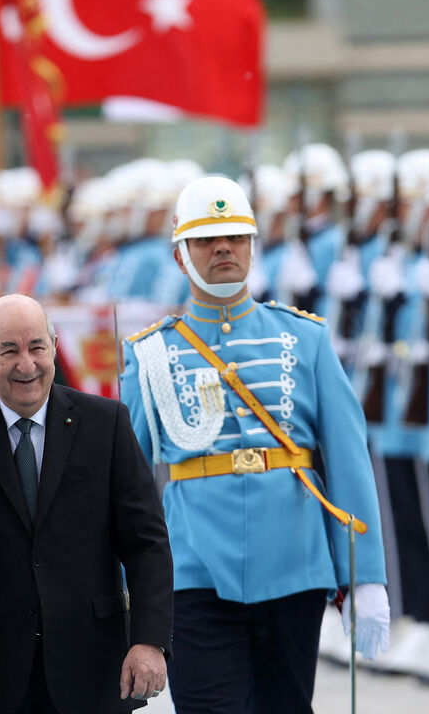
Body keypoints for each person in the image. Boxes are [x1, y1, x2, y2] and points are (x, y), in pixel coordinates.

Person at [120, 175, 390, 713]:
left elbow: (348, 460)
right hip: (194, 565)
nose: (224, 248)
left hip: (295, 560)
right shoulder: (149, 353)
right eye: (206, 239)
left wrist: (365, 577)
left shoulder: (305, 339)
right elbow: (123, 484)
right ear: (180, 256)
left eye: (236, 237)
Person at [0, 293, 173, 714]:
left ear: (55, 348)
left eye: (37, 347)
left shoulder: (106, 423)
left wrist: (149, 641)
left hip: (95, 669)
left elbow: (146, 540)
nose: (27, 364)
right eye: (9, 351)